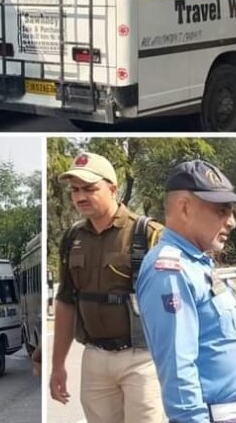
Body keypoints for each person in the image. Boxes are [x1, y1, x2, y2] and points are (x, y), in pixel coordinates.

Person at [137, 160, 236, 423]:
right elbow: (177, 365)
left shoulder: (194, 263)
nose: (232, 222)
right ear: (185, 208)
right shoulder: (170, 271)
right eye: (222, 210)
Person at [50, 152, 165, 423]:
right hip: (95, 359)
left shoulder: (148, 234)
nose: (80, 197)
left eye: (90, 189)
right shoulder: (72, 238)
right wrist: (57, 365)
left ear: (113, 189)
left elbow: (173, 303)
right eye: (75, 190)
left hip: (142, 358)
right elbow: (66, 301)